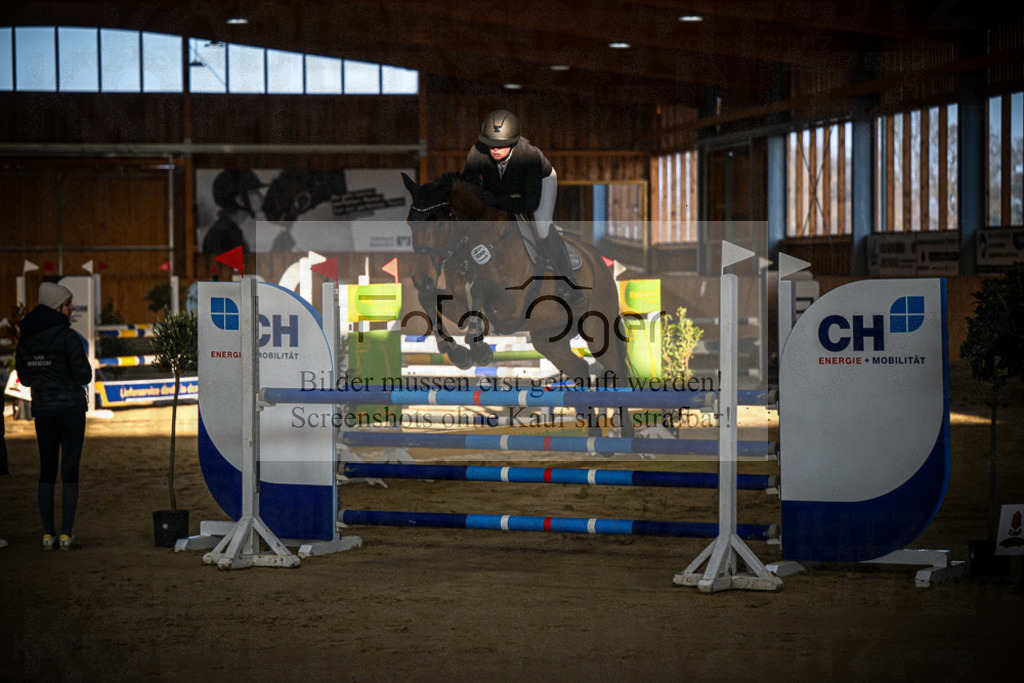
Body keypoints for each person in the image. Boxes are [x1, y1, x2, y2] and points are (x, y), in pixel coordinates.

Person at [464, 110, 585, 306]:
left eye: (501, 145)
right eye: (491, 144)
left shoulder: (530, 157)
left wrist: (495, 199)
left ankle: (570, 285)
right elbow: (468, 185)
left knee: (543, 227)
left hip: (539, 184)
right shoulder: (477, 152)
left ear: (513, 143)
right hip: (503, 188)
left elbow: (529, 203)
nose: (494, 149)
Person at [15, 283, 93, 551]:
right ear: (57, 307)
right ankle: (66, 534)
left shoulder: (26, 338)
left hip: (43, 412)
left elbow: (24, 378)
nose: (72, 308)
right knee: (70, 471)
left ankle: (48, 535)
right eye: (69, 304)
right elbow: (84, 375)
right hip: (70, 411)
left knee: (46, 471)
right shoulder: (68, 337)